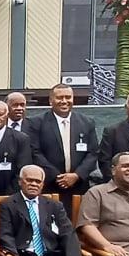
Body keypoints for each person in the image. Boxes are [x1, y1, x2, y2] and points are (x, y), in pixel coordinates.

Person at [30, 84, 98, 212]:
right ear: (51, 101)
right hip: (49, 185)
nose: (64, 101)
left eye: (68, 97)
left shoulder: (87, 122)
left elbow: (93, 153)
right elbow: (35, 152)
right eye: (60, 97)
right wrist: (58, 177)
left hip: (79, 186)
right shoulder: (36, 123)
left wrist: (76, 175)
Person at [0, 100, 32, 197]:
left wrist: (10, 195)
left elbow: (22, 170)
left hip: (11, 195)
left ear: (7, 116)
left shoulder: (21, 139)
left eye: (0, 114)